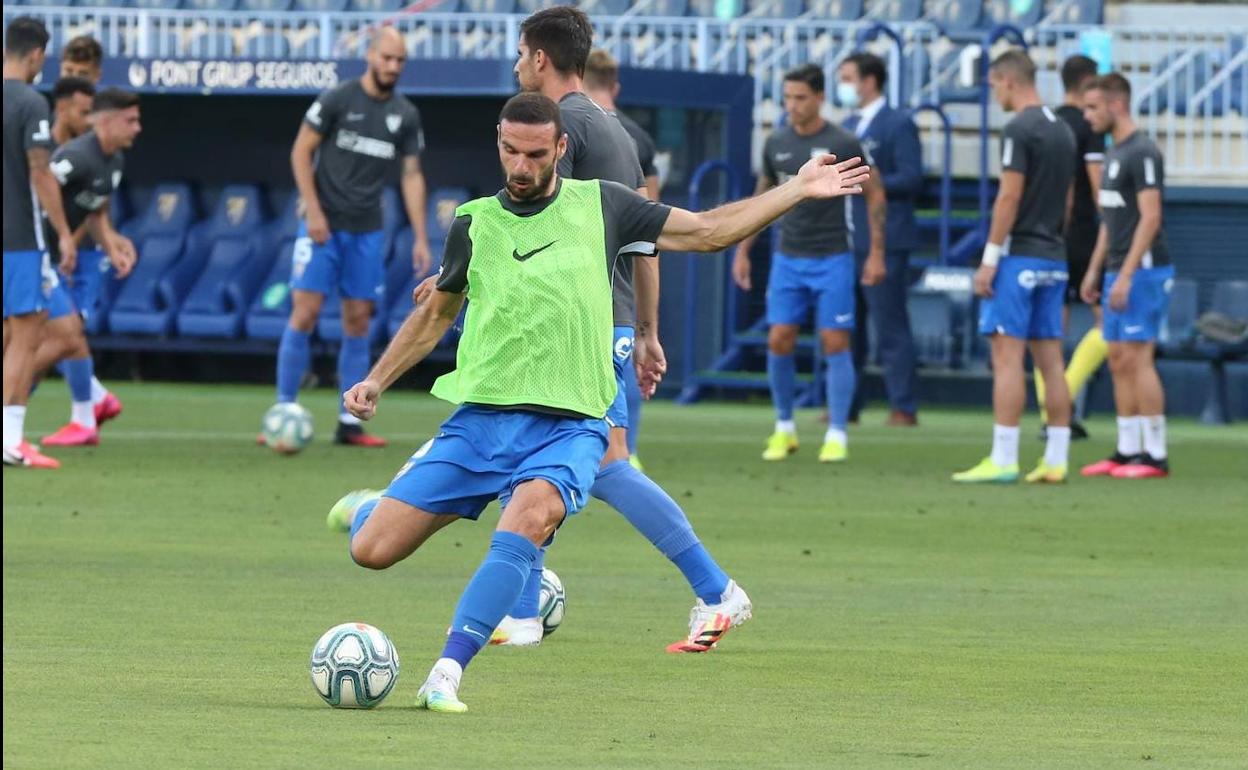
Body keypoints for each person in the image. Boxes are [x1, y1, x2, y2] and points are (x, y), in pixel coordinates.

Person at [338, 93, 870, 713]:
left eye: (536, 153)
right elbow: (435, 315)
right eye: (511, 150)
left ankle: (446, 673)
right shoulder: (474, 221)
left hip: (569, 425)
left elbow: (707, 232)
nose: (521, 165)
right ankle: (372, 509)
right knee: (372, 551)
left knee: (529, 520)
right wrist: (376, 379)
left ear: (561, 149)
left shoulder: (605, 205)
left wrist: (797, 189)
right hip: (481, 421)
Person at [354, 7, 750, 655]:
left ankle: (714, 589)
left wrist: (640, 328)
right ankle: (528, 607)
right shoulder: (599, 126)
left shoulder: (578, 129)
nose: (515, 65)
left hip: (588, 330)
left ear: (540, 60)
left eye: (519, 54)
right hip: (602, 323)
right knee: (545, 461)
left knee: (607, 465)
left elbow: (635, 236)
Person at [276, 26, 431, 447]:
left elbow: (412, 175)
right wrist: (313, 209)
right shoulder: (338, 98)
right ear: (370, 55)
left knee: (358, 319)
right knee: (304, 312)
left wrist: (420, 235)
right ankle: (282, 409)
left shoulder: (405, 114)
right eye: (386, 58)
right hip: (323, 226)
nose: (392, 67)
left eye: (399, 61)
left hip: (367, 229)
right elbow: (300, 150)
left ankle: (350, 421)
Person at [731, 63, 887, 463]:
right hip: (788, 257)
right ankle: (784, 427)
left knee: (836, 341)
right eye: (787, 97)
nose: (792, 105)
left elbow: (875, 195)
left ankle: (837, 432)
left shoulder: (843, 141)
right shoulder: (776, 142)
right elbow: (760, 196)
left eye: (800, 97)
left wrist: (876, 252)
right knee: (778, 338)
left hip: (833, 255)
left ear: (819, 98)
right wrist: (743, 249)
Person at [952, 50, 1076, 484]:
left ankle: (1003, 458)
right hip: (1053, 257)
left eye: (993, 85)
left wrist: (990, 258)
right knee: (1052, 362)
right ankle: (1056, 458)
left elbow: (1009, 197)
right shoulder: (1062, 127)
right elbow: (1069, 200)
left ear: (1007, 80)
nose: (994, 94)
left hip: (1019, 255)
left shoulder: (1019, 128)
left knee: (1006, 359)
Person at [1079, 74, 1173, 479]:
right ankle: (1126, 448)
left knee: (1138, 357)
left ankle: (1155, 454)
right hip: (1117, 268)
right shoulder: (1113, 152)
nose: (1087, 116)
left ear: (1117, 105)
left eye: (1092, 108)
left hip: (1144, 270)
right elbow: (1109, 220)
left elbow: (1151, 217)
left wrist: (1128, 275)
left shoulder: (1143, 151)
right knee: (1117, 358)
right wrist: (1095, 269)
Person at [36, 86, 141, 447]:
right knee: (55, 339)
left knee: (67, 337)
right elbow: (39, 186)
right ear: (107, 122)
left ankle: (83, 419)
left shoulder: (114, 161)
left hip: (50, 260)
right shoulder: (77, 157)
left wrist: (111, 245)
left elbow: (94, 209)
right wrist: (64, 236)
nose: (137, 128)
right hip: (31, 255)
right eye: (130, 120)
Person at [3, 17, 76, 469]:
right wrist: (65, 232)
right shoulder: (30, 102)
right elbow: (40, 172)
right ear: (36, 55)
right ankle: (11, 440)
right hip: (18, 238)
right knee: (26, 336)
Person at [837, 51, 921, 427]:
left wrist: (872, 180)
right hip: (849, 238)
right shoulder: (847, 124)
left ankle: (903, 405)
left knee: (890, 326)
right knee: (846, 327)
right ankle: (847, 405)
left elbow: (913, 177)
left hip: (888, 239)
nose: (844, 85)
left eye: (848, 77)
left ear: (869, 81)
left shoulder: (898, 123)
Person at [584, 46, 659, 466]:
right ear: (615, 85)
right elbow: (655, 224)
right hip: (622, 267)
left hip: (570, 265)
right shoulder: (638, 138)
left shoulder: (568, 124)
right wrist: (651, 325)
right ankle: (626, 451)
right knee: (624, 349)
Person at [1036, 54, 1108, 441]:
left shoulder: (1046, 123)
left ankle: (1050, 411)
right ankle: (1062, 402)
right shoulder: (1089, 123)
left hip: (1043, 234)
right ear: (1088, 83)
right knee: (1107, 321)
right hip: (1079, 233)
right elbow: (1096, 190)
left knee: (1050, 328)